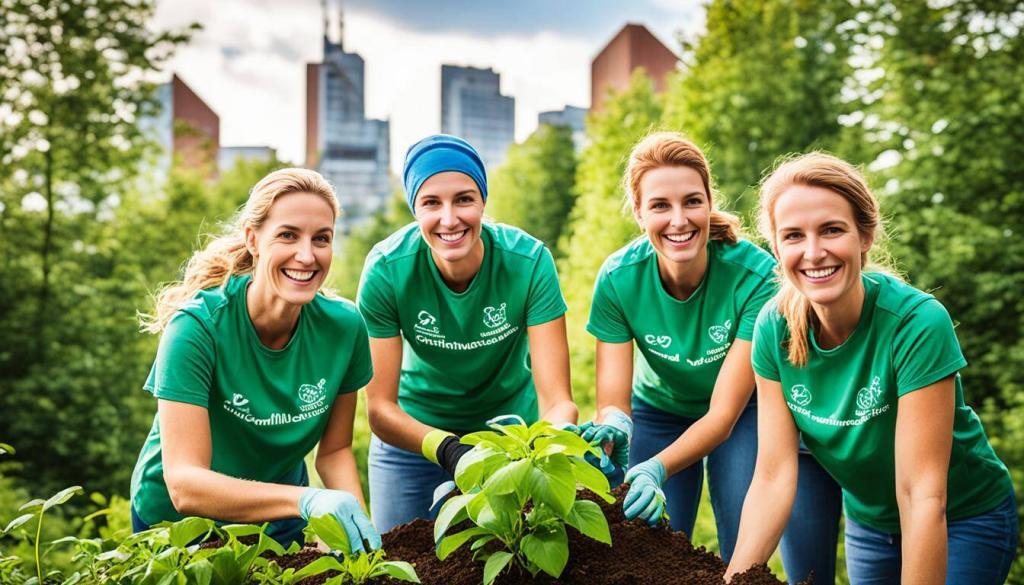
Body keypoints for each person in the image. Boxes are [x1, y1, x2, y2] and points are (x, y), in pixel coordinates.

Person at [725, 153, 1017, 584]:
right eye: (793, 236)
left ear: (865, 236)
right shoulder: (773, 329)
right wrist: (735, 579)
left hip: (964, 518)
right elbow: (772, 476)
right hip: (871, 526)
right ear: (776, 248)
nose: (813, 252)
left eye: (831, 230)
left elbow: (922, 495)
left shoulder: (916, 323)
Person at [581, 133, 842, 582]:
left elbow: (722, 416)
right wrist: (614, 425)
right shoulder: (619, 278)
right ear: (639, 211)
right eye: (660, 205)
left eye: (692, 202)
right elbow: (614, 399)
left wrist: (657, 465)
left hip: (742, 413)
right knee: (647, 545)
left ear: (708, 203)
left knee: (742, 544)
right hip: (658, 411)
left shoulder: (756, 276)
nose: (679, 220)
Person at [129, 168, 379, 553]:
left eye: (322, 239)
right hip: (180, 530)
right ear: (253, 239)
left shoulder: (344, 329)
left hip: (273, 525)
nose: (307, 255)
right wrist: (306, 501)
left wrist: (357, 534)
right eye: (288, 235)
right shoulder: (197, 328)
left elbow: (334, 452)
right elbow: (183, 483)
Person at [357, 134, 578, 533]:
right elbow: (380, 410)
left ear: (482, 202)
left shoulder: (528, 262)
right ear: (414, 209)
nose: (449, 218)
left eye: (464, 199)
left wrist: (558, 446)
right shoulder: (387, 270)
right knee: (403, 568)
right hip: (413, 442)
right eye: (430, 203)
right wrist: (447, 449)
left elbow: (558, 401)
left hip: (510, 440)